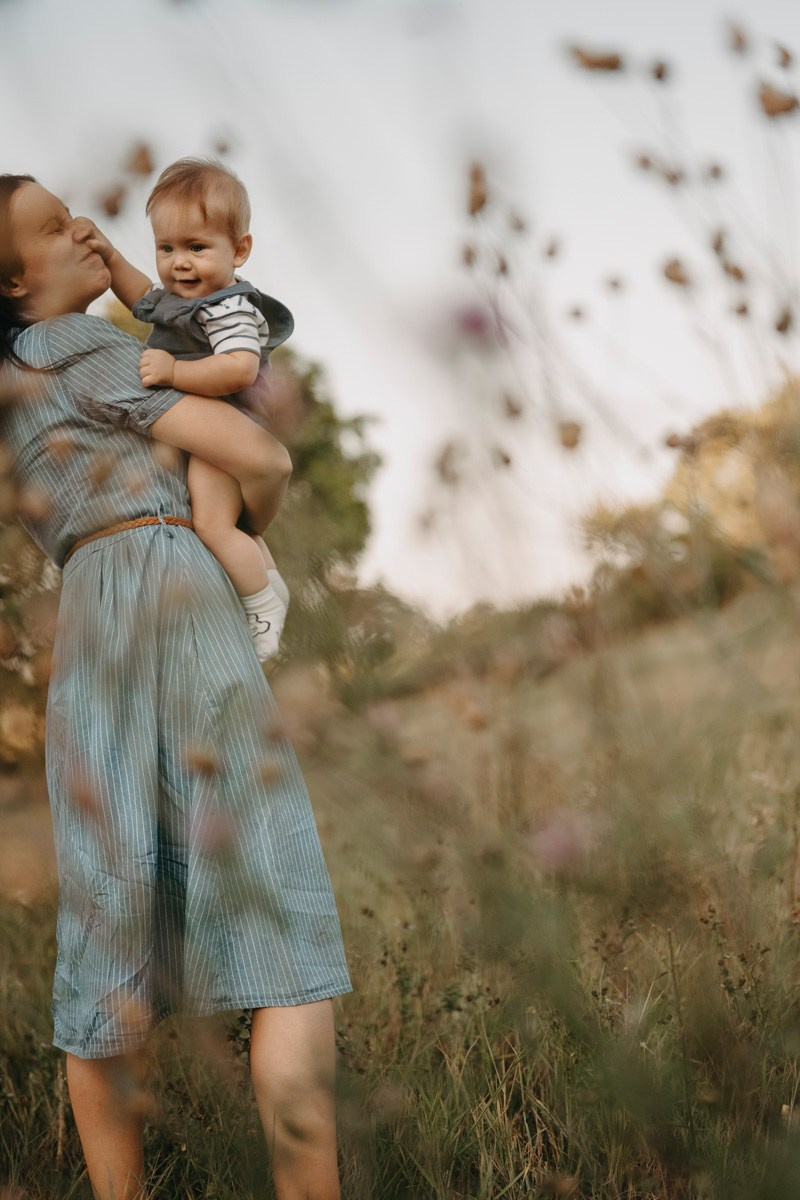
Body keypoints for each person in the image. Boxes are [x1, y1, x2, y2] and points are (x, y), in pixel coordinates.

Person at [0, 173, 351, 1200]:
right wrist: (236, 535)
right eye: (52, 229)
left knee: (108, 921)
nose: (82, 228)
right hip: (176, 592)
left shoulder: (13, 387)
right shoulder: (86, 347)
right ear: (15, 282)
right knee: (280, 921)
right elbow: (257, 450)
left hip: (87, 623)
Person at [89, 158, 293, 662]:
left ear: (239, 250)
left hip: (226, 425)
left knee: (214, 525)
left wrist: (175, 372)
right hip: (208, 425)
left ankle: (261, 608)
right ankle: (268, 580)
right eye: (167, 248)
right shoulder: (181, 298)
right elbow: (141, 297)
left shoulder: (228, 306)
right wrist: (111, 257)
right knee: (235, 526)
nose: (180, 263)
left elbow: (240, 368)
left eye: (196, 248)